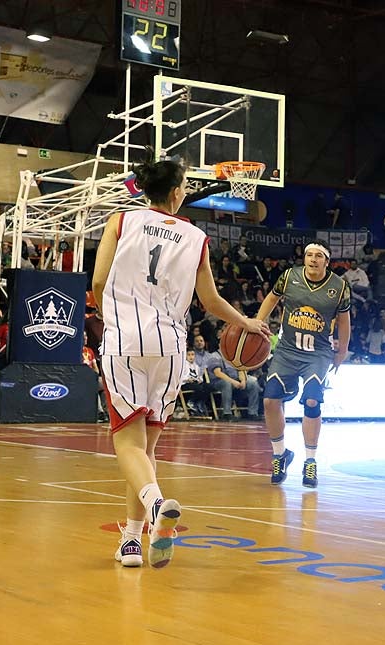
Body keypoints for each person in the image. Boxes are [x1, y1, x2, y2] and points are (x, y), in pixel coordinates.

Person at [92, 158, 269, 569]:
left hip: (126, 340)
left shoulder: (121, 222)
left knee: (128, 444)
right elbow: (209, 301)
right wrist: (246, 323)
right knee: (146, 450)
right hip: (171, 348)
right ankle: (132, 542)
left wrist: (112, 318)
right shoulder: (196, 237)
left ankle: (155, 509)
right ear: (175, 194)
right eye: (186, 185)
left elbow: (99, 283)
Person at [254, 239, 351, 489]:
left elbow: (343, 321)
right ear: (304, 258)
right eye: (310, 255)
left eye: (319, 255)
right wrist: (257, 322)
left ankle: (310, 461)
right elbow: (272, 299)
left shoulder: (339, 287)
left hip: (317, 353)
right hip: (287, 349)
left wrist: (342, 349)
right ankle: (280, 455)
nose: (313, 259)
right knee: (269, 400)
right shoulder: (289, 276)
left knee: (311, 400)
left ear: (326, 262)